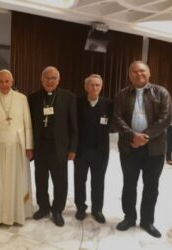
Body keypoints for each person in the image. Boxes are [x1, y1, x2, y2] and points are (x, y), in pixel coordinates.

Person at [113, 61, 171, 238]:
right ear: (129, 74)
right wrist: (133, 136)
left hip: (154, 149)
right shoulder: (122, 94)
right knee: (129, 185)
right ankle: (129, 217)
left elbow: (166, 118)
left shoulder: (161, 92)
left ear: (149, 73)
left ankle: (147, 221)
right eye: (135, 71)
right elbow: (117, 118)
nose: (139, 74)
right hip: (129, 148)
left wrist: (144, 137)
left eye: (142, 71)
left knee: (151, 186)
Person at [0, 70, 33, 226]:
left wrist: (29, 146)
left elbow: (27, 125)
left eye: (7, 81)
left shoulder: (22, 98)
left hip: (17, 146)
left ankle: (17, 214)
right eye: (1, 81)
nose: (4, 84)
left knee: (17, 179)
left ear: (12, 81)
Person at [28, 66, 77, 227]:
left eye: (53, 78)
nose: (50, 81)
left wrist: (72, 148)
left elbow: (73, 125)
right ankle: (43, 207)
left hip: (60, 148)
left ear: (59, 80)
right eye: (47, 78)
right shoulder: (33, 98)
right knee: (40, 179)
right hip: (40, 147)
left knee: (60, 181)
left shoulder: (68, 97)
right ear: (41, 79)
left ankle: (57, 209)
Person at [74, 74, 113, 223]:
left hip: (100, 151)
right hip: (81, 151)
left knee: (98, 181)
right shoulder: (77, 103)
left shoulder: (108, 104)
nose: (94, 88)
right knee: (79, 180)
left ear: (101, 87)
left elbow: (114, 124)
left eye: (97, 85)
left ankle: (97, 210)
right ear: (86, 87)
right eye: (91, 85)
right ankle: (80, 208)